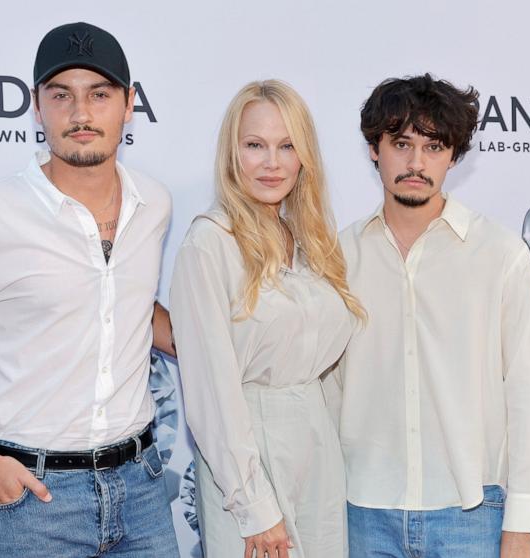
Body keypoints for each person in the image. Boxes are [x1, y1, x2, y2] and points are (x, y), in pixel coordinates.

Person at [0, 22, 179, 557]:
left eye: (100, 94)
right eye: (61, 95)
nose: (81, 114)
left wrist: (210, 343)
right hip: (32, 505)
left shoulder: (153, 203)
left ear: (129, 104)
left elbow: (125, 299)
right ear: (37, 107)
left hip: (143, 488)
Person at [337, 74, 530, 558]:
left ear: (454, 155)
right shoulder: (338, 257)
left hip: (472, 516)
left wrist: (523, 522)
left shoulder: (499, 254)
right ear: (375, 148)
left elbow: (528, 394)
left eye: (434, 146)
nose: (416, 162)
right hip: (361, 512)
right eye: (401, 143)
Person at [170, 80, 364, 558]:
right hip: (248, 451)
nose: (272, 162)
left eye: (286, 146)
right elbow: (212, 393)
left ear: (305, 156)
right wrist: (253, 505)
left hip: (319, 450)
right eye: (255, 145)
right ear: (232, 153)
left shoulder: (313, 242)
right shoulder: (210, 243)